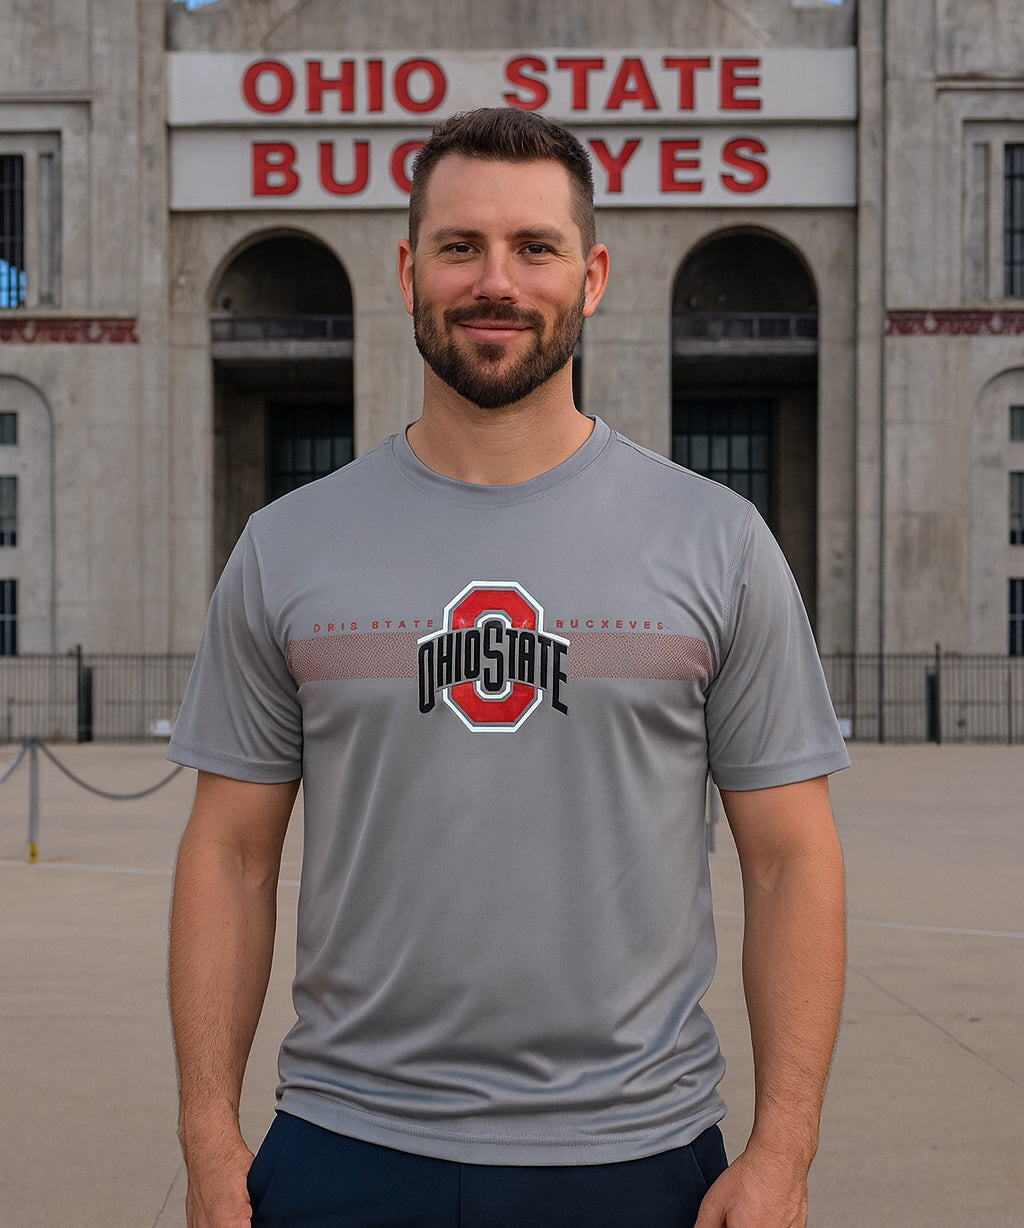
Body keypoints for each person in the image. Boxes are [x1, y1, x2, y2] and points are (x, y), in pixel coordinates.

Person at [168, 107, 849, 1228]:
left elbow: (791, 863)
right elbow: (230, 855)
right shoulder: (287, 546)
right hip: (345, 1144)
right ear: (407, 272)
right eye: (460, 246)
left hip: (637, 1153)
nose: (496, 281)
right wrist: (207, 1136)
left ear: (592, 277)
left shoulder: (717, 543)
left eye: (535, 247)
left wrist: (783, 1150)